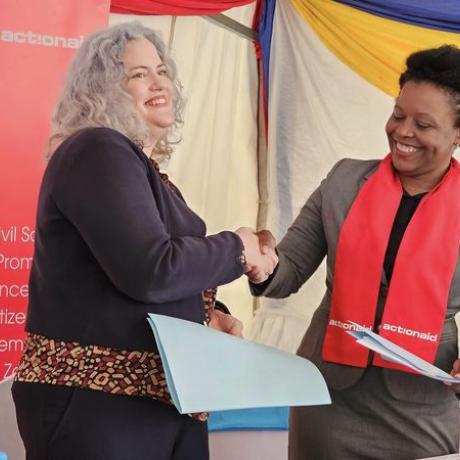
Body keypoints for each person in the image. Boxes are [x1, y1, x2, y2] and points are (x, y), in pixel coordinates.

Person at [11, 21, 277, 460]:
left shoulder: (145, 171)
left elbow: (134, 285)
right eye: (137, 74)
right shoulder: (97, 149)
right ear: (102, 90)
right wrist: (238, 247)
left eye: (162, 70)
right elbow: (151, 269)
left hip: (157, 401)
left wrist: (208, 316)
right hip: (98, 404)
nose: (158, 82)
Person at [250, 45, 460, 459]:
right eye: (398, 116)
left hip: (423, 405)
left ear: (457, 133)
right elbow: (287, 270)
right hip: (329, 396)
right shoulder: (344, 180)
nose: (402, 132)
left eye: (423, 124)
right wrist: (262, 265)